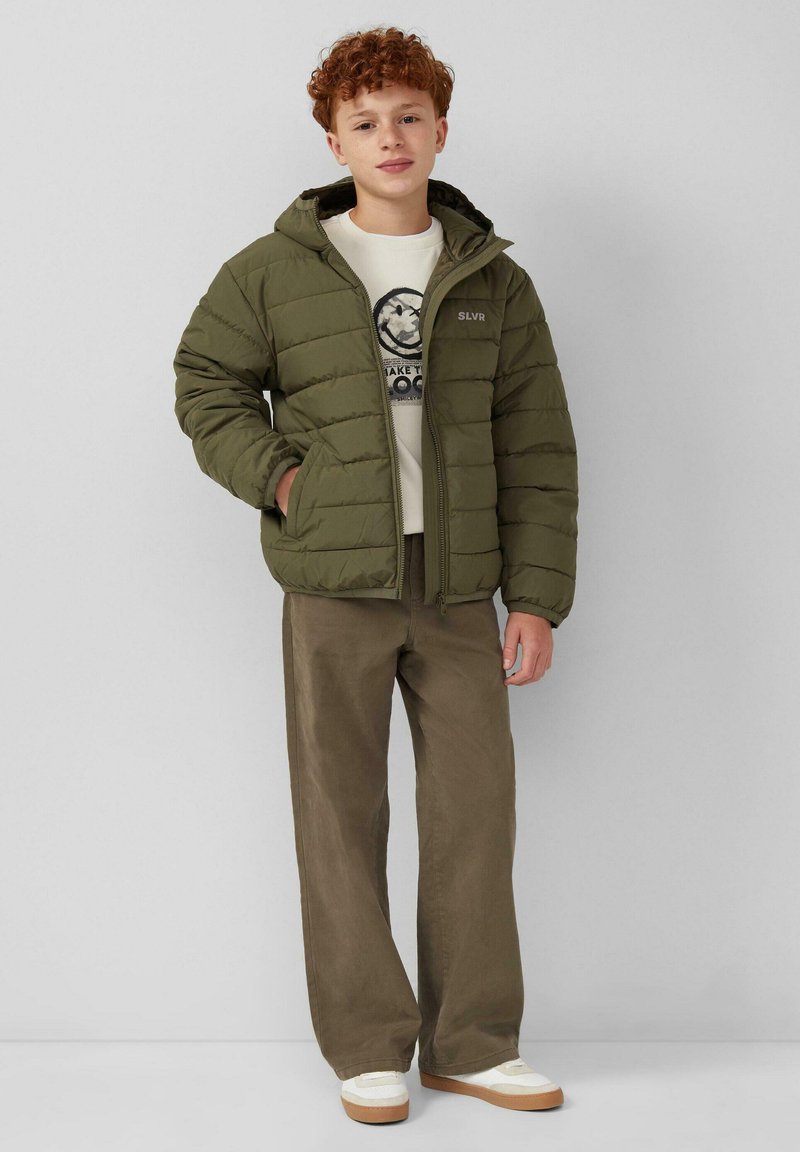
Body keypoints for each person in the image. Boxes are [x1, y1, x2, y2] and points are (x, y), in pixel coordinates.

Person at [173, 25, 578, 1126]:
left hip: (457, 585)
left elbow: (537, 445)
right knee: (339, 815)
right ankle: (365, 1047)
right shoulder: (272, 272)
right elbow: (205, 383)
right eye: (365, 122)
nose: (389, 137)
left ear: (441, 129)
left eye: (408, 117)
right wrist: (283, 480)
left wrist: (535, 598)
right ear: (333, 141)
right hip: (332, 582)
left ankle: (474, 1044)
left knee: (474, 815)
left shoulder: (493, 279)